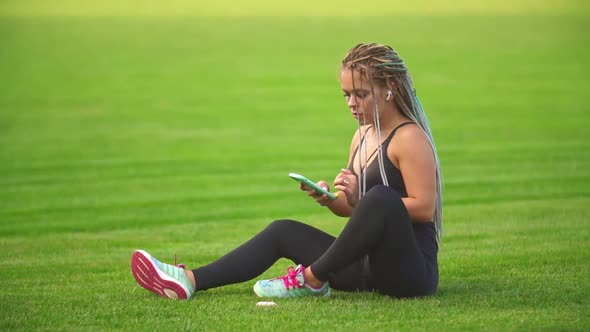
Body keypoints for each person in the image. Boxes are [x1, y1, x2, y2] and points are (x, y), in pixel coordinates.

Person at [131, 42, 443, 300]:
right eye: (346, 94)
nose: (351, 103)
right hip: (367, 266)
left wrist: (363, 199)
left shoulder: (409, 138)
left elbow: (423, 208)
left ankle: (311, 280)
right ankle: (189, 280)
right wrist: (331, 200)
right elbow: (355, 213)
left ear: (389, 88)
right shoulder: (361, 136)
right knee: (283, 230)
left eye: (360, 94)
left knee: (381, 197)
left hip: (410, 273)